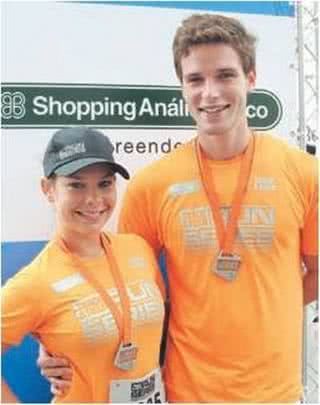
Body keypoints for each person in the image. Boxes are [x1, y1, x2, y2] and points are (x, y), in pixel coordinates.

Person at [38, 13, 318, 403]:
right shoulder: (153, 185)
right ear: (182, 88)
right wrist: (56, 338)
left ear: (250, 78)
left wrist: (263, 311)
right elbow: (117, 283)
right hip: (186, 392)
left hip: (277, 393)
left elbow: (315, 272)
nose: (210, 93)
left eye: (225, 75)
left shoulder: (305, 173)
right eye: (195, 80)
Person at [1, 127, 166, 403]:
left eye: (104, 183)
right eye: (76, 185)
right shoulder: (37, 280)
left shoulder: (137, 249)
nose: (93, 200)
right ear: (48, 189)